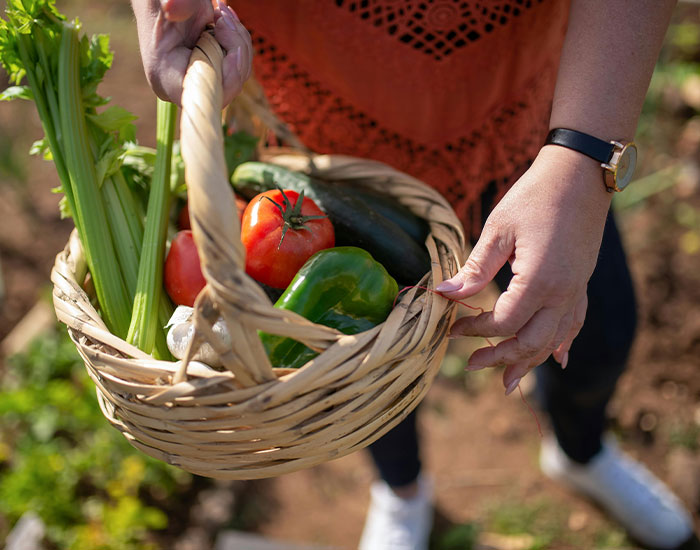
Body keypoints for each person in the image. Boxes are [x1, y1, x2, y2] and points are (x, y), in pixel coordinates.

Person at [131, 1, 699, 548]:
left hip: (534, 127)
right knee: (365, 369)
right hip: (323, 140)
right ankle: (401, 492)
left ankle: (580, 452)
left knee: (601, 333)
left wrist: (582, 159)